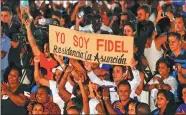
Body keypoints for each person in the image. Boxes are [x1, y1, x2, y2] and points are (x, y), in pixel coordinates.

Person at [22, 7, 57, 80]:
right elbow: (33, 45)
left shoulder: (57, 60)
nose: (45, 50)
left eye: (47, 48)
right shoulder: (43, 58)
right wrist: (28, 28)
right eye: (44, 49)